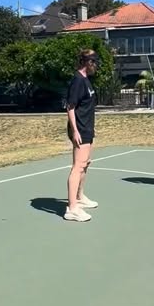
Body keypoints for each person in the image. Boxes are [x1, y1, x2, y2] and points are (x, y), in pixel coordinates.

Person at [64, 49, 99, 222]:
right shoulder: (78, 80)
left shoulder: (86, 81)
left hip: (87, 128)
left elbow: (86, 107)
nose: (96, 66)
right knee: (78, 166)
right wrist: (75, 131)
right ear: (88, 62)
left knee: (85, 164)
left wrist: (91, 128)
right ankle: (72, 208)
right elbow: (70, 107)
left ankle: (79, 197)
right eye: (95, 63)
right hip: (80, 130)